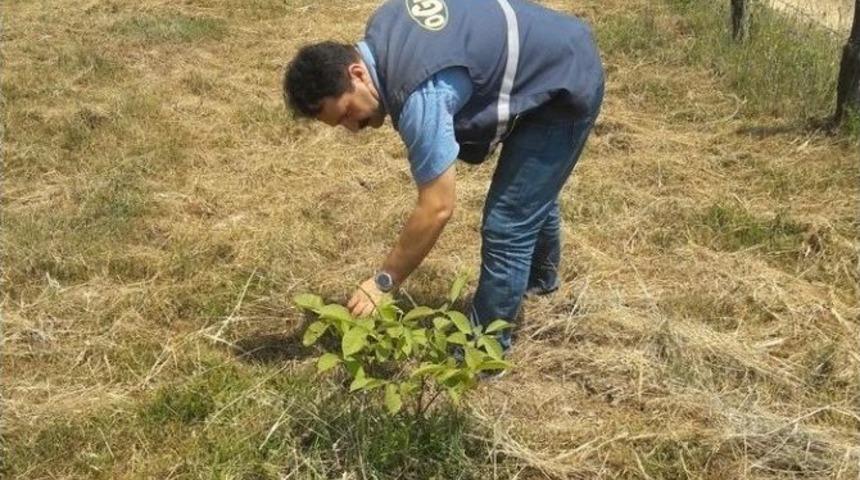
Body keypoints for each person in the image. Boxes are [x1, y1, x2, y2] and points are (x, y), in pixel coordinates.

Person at [283, 0, 604, 352]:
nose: (352, 128)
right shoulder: (384, 25)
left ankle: (484, 352)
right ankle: (540, 283)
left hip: (566, 80)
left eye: (346, 112)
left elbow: (437, 207)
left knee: (508, 223)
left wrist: (384, 281)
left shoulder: (420, 96)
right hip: (554, 46)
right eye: (340, 124)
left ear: (357, 73)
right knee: (529, 192)